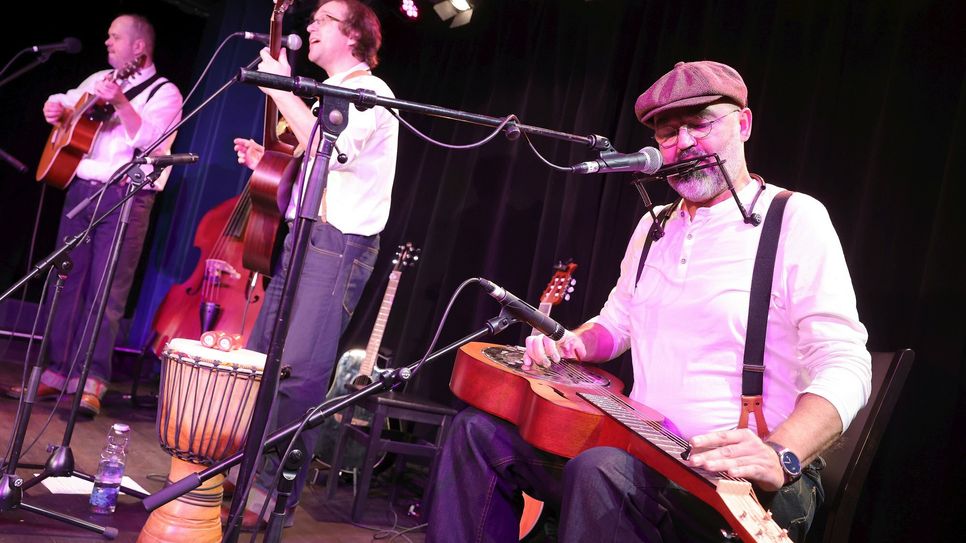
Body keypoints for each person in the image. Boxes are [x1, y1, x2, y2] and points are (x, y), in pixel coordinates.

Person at [425, 60, 872, 542]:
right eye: (668, 132)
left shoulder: (794, 218)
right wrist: (572, 344)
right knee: (476, 433)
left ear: (742, 124)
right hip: (640, 449)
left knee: (599, 471)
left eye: (700, 125)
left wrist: (782, 453)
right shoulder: (654, 224)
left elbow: (846, 362)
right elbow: (617, 325)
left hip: (740, 482)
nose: (683, 144)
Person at [229, 0, 398, 530]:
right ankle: (239, 469)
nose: (308, 27)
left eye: (321, 20)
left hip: (337, 245)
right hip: (302, 236)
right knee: (261, 358)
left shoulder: (372, 93)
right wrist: (272, 166)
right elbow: (320, 163)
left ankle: (269, 490)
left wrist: (279, 86)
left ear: (352, 35)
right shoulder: (330, 93)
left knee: (299, 371)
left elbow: (339, 152)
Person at [2, 14, 182, 418]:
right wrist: (55, 108)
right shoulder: (100, 77)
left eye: (115, 36)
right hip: (82, 190)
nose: (106, 41)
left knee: (107, 290)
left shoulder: (164, 92)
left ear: (139, 48)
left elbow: (153, 143)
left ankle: (91, 380)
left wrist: (120, 103)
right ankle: (55, 372)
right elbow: (66, 101)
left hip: (126, 197)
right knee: (65, 281)